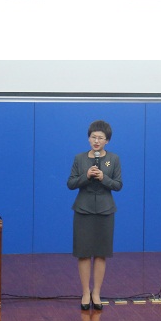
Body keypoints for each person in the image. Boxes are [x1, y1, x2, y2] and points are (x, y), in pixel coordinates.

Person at [67, 120, 123, 310]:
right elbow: (70, 183)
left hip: (105, 211)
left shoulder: (114, 159)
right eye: (93, 137)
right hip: (83, 210)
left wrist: (103, 178)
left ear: (107, 140)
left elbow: (118, 185)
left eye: (100, 138)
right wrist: (86, 176)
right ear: (88, 138)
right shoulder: (80, 158)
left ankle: (96, 293)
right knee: (83, 253)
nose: (96, 141)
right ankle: (85, 292)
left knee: (101, 253)